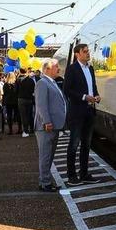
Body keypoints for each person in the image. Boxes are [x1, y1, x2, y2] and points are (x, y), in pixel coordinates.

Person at [63, 43, 101, 187]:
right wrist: (84, 97)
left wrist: (96, 95)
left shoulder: (90, 68)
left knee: (86, 144)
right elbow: (67, 90)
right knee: (74, 144)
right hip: (77, 112)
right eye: (84, 52)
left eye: (88, 51)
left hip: (90, 111)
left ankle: (84, 174)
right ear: (77, 54)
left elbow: (93, 87)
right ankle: (71, 176)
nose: (87, 53)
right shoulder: (72, 69)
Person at [34, 59, 66, 192]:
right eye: (56, 67)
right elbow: (41, 105)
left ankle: (46, 181)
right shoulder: (42, 83)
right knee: (45, 156)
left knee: (49, 155)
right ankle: (45, 183)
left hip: (53, 126)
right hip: (46, 126)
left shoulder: (51, 82)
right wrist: (47, 121)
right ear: (47, 69)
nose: (58, 69)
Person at [17, 68, 36, 137]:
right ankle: (32, 129)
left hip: (21, 99)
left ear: (20, 71)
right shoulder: (31, 80)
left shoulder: (18, 80)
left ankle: (25, 131)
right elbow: (34, 90)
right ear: (27, 72)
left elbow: (16, 90)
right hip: (29, 99)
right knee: (30, 114)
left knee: (23, 115)